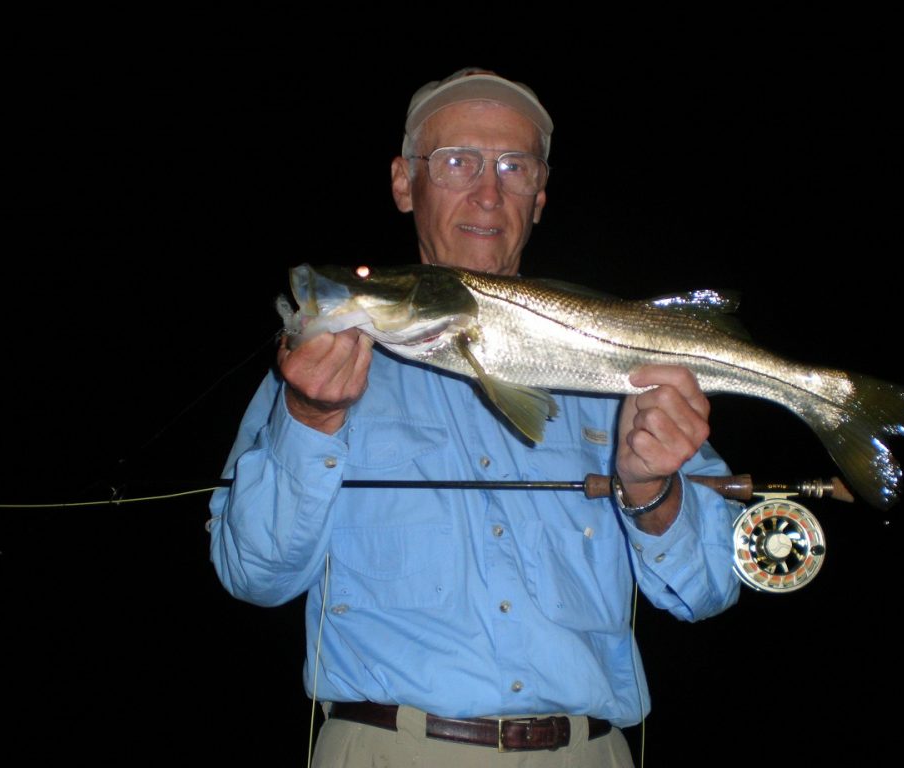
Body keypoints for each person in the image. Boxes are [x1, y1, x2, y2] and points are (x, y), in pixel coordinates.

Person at [209, 67, 740, 766]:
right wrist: (310, 417)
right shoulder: (318, 372)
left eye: (514, 167)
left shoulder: (616, 361)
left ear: (541, 194)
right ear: (404, 182)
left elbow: (709, 589)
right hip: (388, 749)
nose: (487, 192)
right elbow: (253, 573)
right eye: (457, 161)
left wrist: (653, 493)